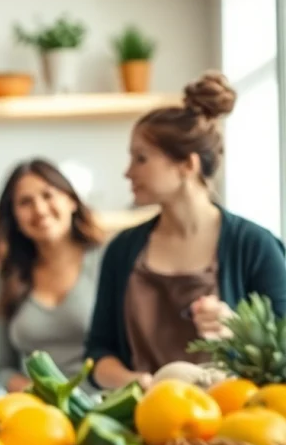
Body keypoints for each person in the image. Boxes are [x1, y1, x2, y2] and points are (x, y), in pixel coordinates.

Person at [86, 71, 286, 390]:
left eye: (141, 158)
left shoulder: (254, 245)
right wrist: (138, 383)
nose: (128, 171)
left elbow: (282, 353)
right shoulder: (122, 250)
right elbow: (98, 353)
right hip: (145, 421)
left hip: (236, 427)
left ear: (186, 165)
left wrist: (237, 330)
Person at [0, 158, 106, 392]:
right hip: (40, 416)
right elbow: (4, 368)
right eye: (25, 202)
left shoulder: (108, 260)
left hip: (105, 408)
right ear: (14, 217)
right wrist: (36, 392)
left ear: (71, 200)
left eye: (48, 195)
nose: (39, 209)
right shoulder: (10, 276)